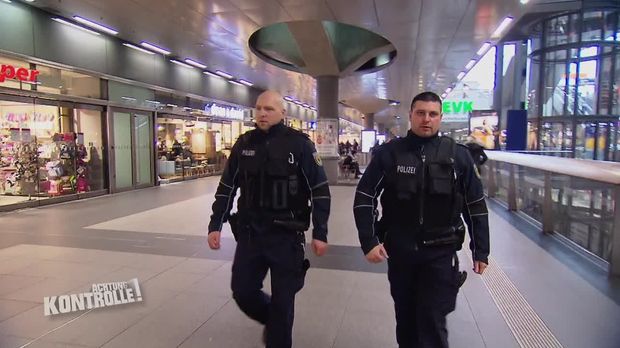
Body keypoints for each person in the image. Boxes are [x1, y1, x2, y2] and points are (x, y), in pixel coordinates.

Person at [353, 91, 489, 348]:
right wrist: (368, 240)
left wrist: (480, 249)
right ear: (411, 116)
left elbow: (475, 205)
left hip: (440, 252)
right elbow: (365, 194)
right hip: (401, 250)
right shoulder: (389, 154)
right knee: (405, 319)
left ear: (440, 118)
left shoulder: (457, 156)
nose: (426, 119)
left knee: (431, 318)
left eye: (432, 114)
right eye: (421, 113)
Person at [207, 90, 331, 348]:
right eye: (259, 108)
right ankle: (273, 322)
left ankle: (278, 335)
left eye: (269, 109)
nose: (262, 113)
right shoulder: (244, 144)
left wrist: (320, 231)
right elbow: (227, 187)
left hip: (286, 236)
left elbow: (320, 190)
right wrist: (215, 225)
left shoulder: (300, 145)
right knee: (242, 291)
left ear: (282, 113)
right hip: (251, 233)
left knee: (284, 302)